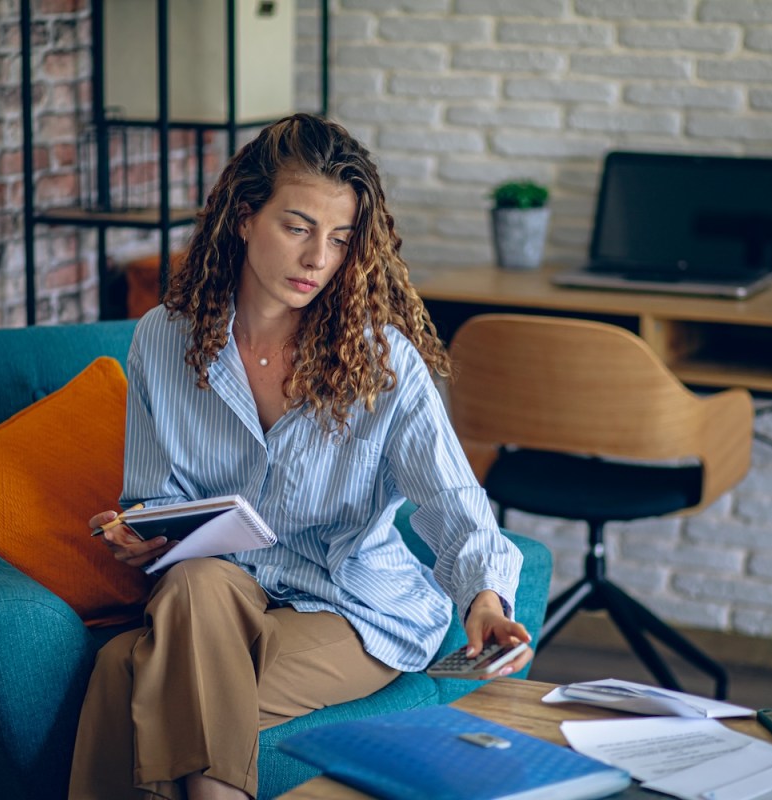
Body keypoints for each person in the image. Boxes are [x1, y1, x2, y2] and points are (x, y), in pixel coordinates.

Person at [68, 113, 531, 800]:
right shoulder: (162, 341)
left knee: (122, 673)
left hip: (350, 607)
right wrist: (142, 534)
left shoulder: (381, 362)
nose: (319, 259)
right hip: (216, 592)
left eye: (340, 239)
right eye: (298, 227)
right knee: (194, 582)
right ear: (244, 216)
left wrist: (485, 599)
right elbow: (152, 497)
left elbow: (451, 499)